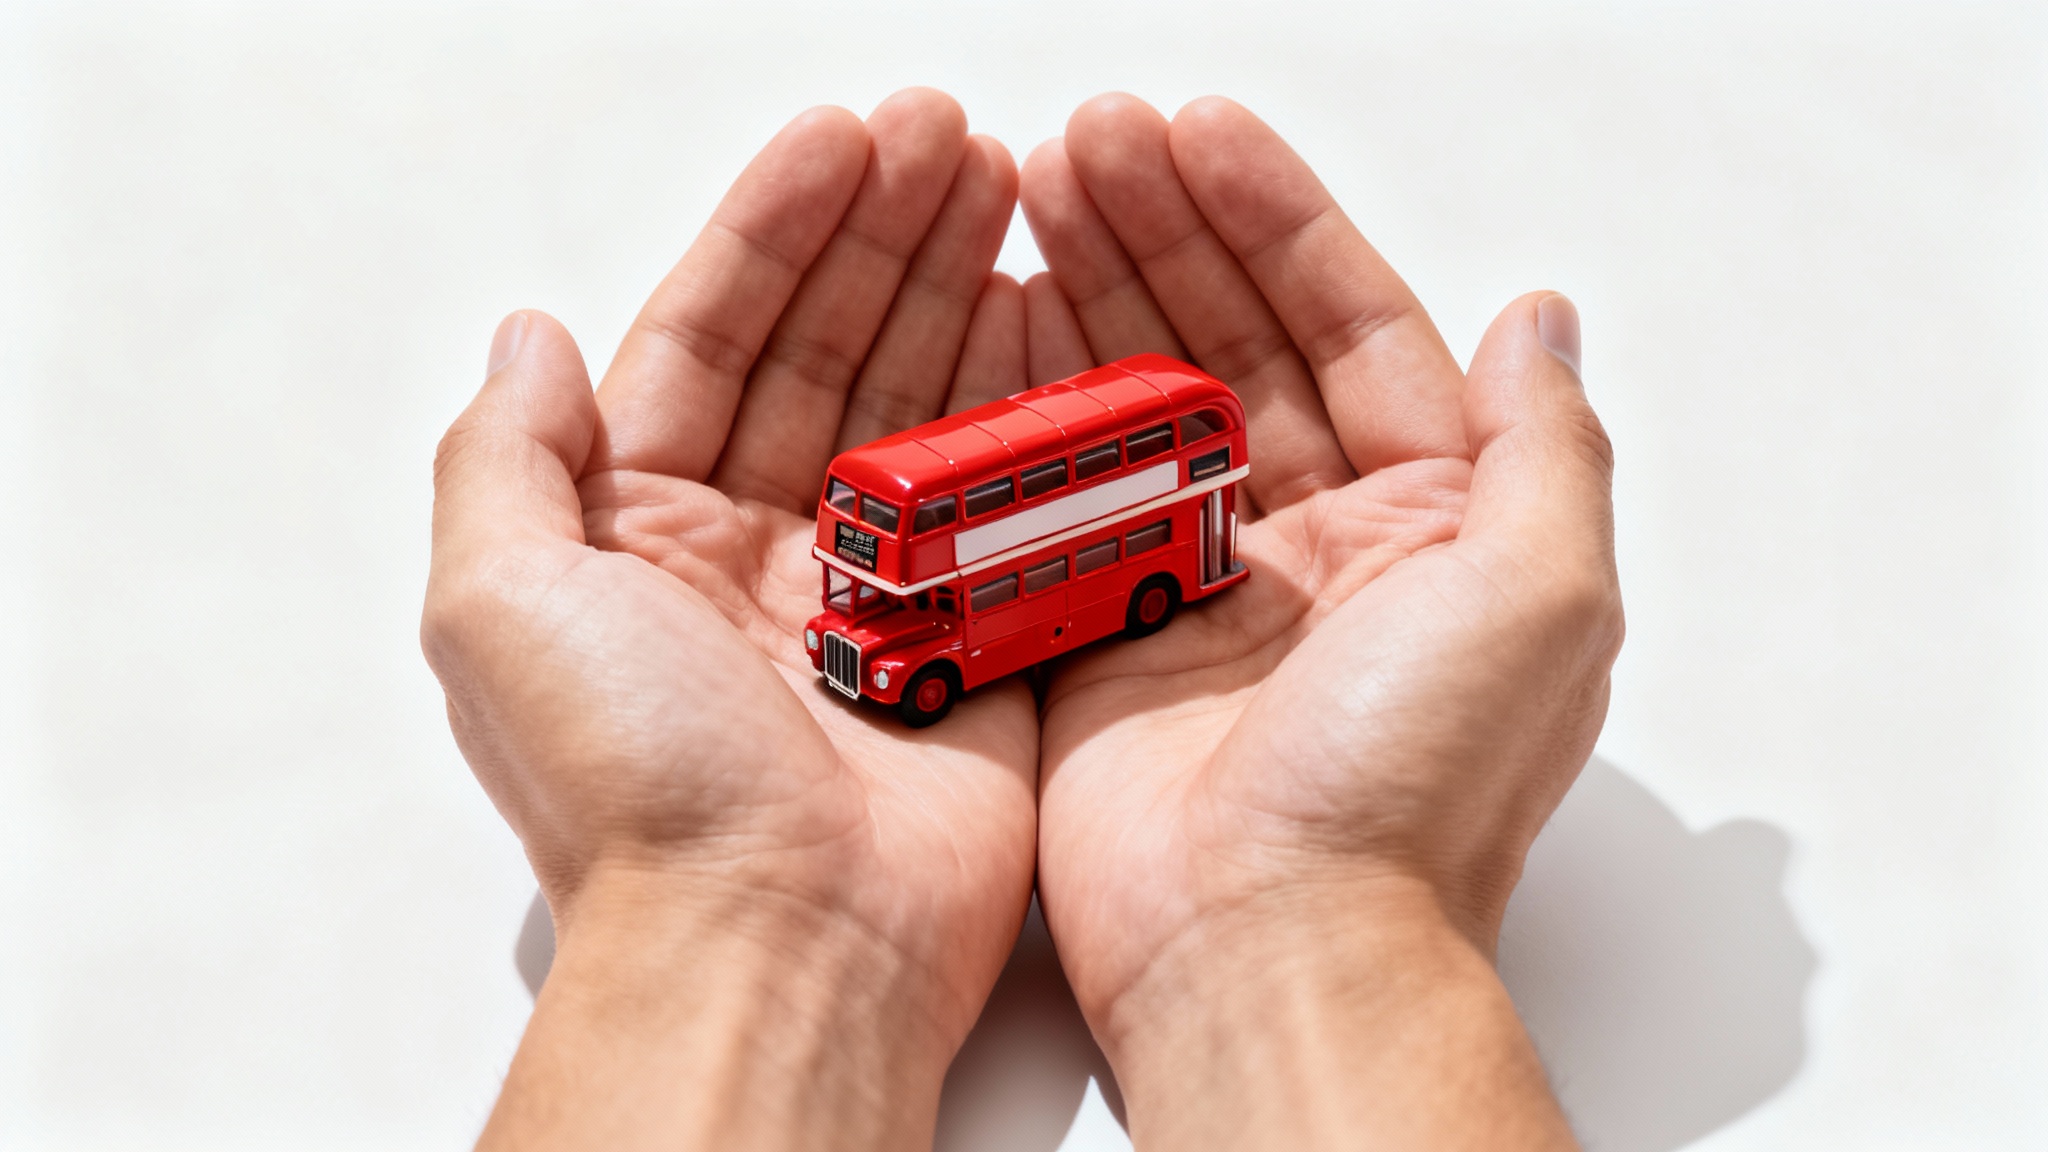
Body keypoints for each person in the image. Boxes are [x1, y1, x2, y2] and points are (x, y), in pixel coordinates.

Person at [421, 87, 1622, 1151]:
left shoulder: (1097, 542)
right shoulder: (905, 595)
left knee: (1009, 568)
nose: (863, 616)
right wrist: (728, 880)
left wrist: (1317, 883)